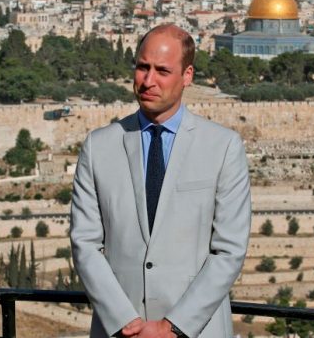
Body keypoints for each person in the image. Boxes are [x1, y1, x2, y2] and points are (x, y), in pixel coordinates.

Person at [70, 24, 251, 338]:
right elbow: (85, 244)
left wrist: (173, 327)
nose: (148, 81)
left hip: (196, 331)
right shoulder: (99, 147)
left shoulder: (222, 147)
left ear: (187, 75)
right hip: (120, 332)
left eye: (162, 71)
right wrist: (125, 322)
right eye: (143, 67)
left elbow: (229, 250)